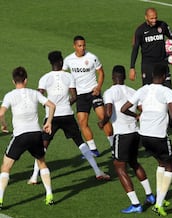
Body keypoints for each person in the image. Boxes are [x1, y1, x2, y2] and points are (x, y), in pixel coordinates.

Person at [27, 51, 110, 185]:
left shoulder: (44, 78)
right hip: (67, 115)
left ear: (50, 62)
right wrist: (66, 103)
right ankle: (98, 171)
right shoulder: (69, 76)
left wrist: (47, 106)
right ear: (61, 62)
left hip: (51, 117)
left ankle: (34, 176)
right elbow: (75, 96)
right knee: (80, 143)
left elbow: (39, 95)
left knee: (43, 147)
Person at [121, 64, 172, 216]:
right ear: (164, 76)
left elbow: (123, 108)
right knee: (170, 166)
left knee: (161, 162)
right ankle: (159, 204)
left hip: (144, 136)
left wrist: (136, 116)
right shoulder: (167, 91)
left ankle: (159, 197)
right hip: (159, 136)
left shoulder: (143, 90)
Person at [99, 65, 155, 214]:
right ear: (123, 77)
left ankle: (135, 204)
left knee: (119, 167)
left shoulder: (109, 92)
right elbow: (143, 109)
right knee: (134, 162)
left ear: (112, 77)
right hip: (135, 133)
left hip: (122, 134)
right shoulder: (133, 91)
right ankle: (150, 195)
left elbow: (109, 111)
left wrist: (103, 122)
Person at [0, 67, 55, 209]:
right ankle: (49, 195)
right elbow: (51, 105)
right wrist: (48, 122)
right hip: (36, 134)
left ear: (13, 81)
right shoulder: (34, 94)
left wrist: (4, 125)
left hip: (20, 135)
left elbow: (1, 113)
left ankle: (0, 199)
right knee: (42, 162)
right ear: (26, 80)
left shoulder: (10, 95)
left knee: (6, 166)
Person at [63, 35, 113, 157]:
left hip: (93, 92)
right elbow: (63, 75)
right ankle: (93, 149)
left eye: (84, 45)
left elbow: (101, 72)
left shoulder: (92, 58)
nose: (82, 48)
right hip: (80, 95)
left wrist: (98, 87)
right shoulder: (68, 60)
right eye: (79, 46)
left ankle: (114, 147)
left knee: (103, 117)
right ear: (74, 46)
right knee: (82, 122)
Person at [130, 7, 172, 88]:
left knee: (168, 89)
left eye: (155, 18)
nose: (154, 20)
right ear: (146, 17)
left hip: (162, 64)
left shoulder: (163, 25)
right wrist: (132, 67)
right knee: (147, 92)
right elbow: (135, 49)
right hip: (148, 65)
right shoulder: (140, 30)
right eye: (151, 18)